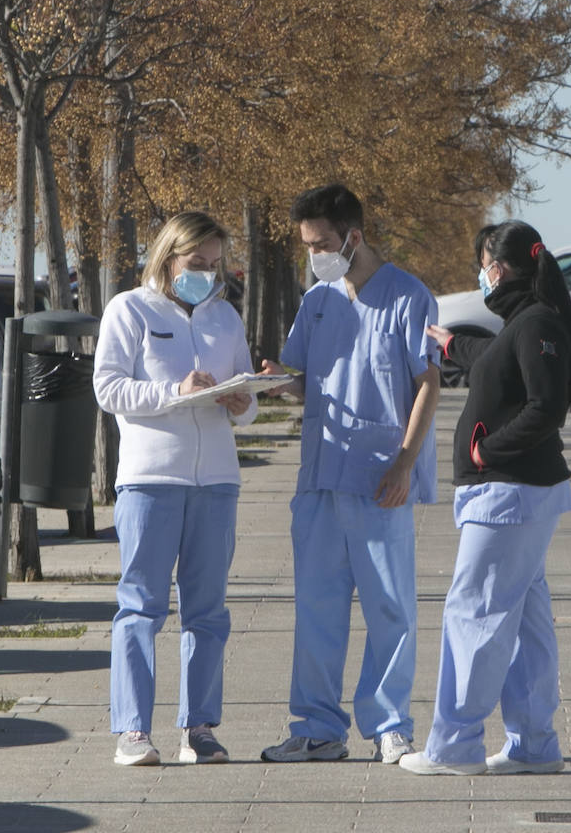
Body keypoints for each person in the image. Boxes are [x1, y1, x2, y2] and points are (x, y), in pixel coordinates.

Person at [259, 183, 440, 766]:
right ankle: (317, 728)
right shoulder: (318, 301)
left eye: (323, 243)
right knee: (317, 607)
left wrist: (405, 463)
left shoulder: (409, 297)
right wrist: (274, 382)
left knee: (391, 607)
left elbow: (426, 384)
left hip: (380, 480)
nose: (315, 254)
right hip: (319, 481)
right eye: (308, 245)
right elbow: (310, 381)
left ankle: (389, 724)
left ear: (354, 236)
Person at [399, 219, 571, 776]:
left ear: (497, 268)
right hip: (517, 493)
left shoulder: (535, 325)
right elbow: (494, 360)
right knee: (525, 620)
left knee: (474, 613)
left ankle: (454, 746)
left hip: (508, 493)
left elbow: (545, 406)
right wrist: (452, 344)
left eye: (482, 265)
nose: (480, 276)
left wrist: (487, 452)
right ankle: (534, 744)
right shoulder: (526, 323)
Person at [93, 210, 257, 767]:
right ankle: (133, 732)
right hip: (150, 478)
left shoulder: (225, 318)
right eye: (197, 264)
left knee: (208, 610)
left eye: (215, 265)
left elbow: (246, 396)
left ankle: (200, 728)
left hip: (216, 480)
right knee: (141, 605)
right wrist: (172, 391)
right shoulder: (130, 308)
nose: (207, 275)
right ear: (167, 258)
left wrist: (244, 401)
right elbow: (108, 387)